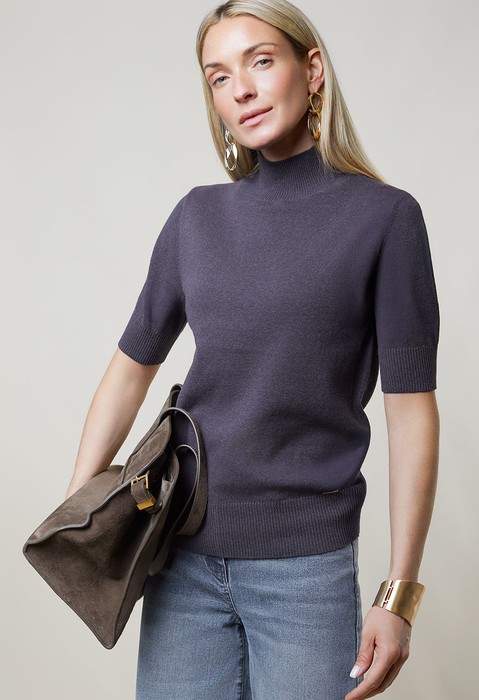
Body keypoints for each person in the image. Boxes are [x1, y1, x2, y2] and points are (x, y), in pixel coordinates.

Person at [65, 1, 440, 698]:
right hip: (179, 559)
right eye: (218, 77)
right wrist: (78, 513)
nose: (240, 89)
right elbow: (131, 366)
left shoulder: (386, 219)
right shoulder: (197, 216)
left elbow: (411, 411)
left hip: (306, 573)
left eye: (261, 61)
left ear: (313, 69)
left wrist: (399, 594)